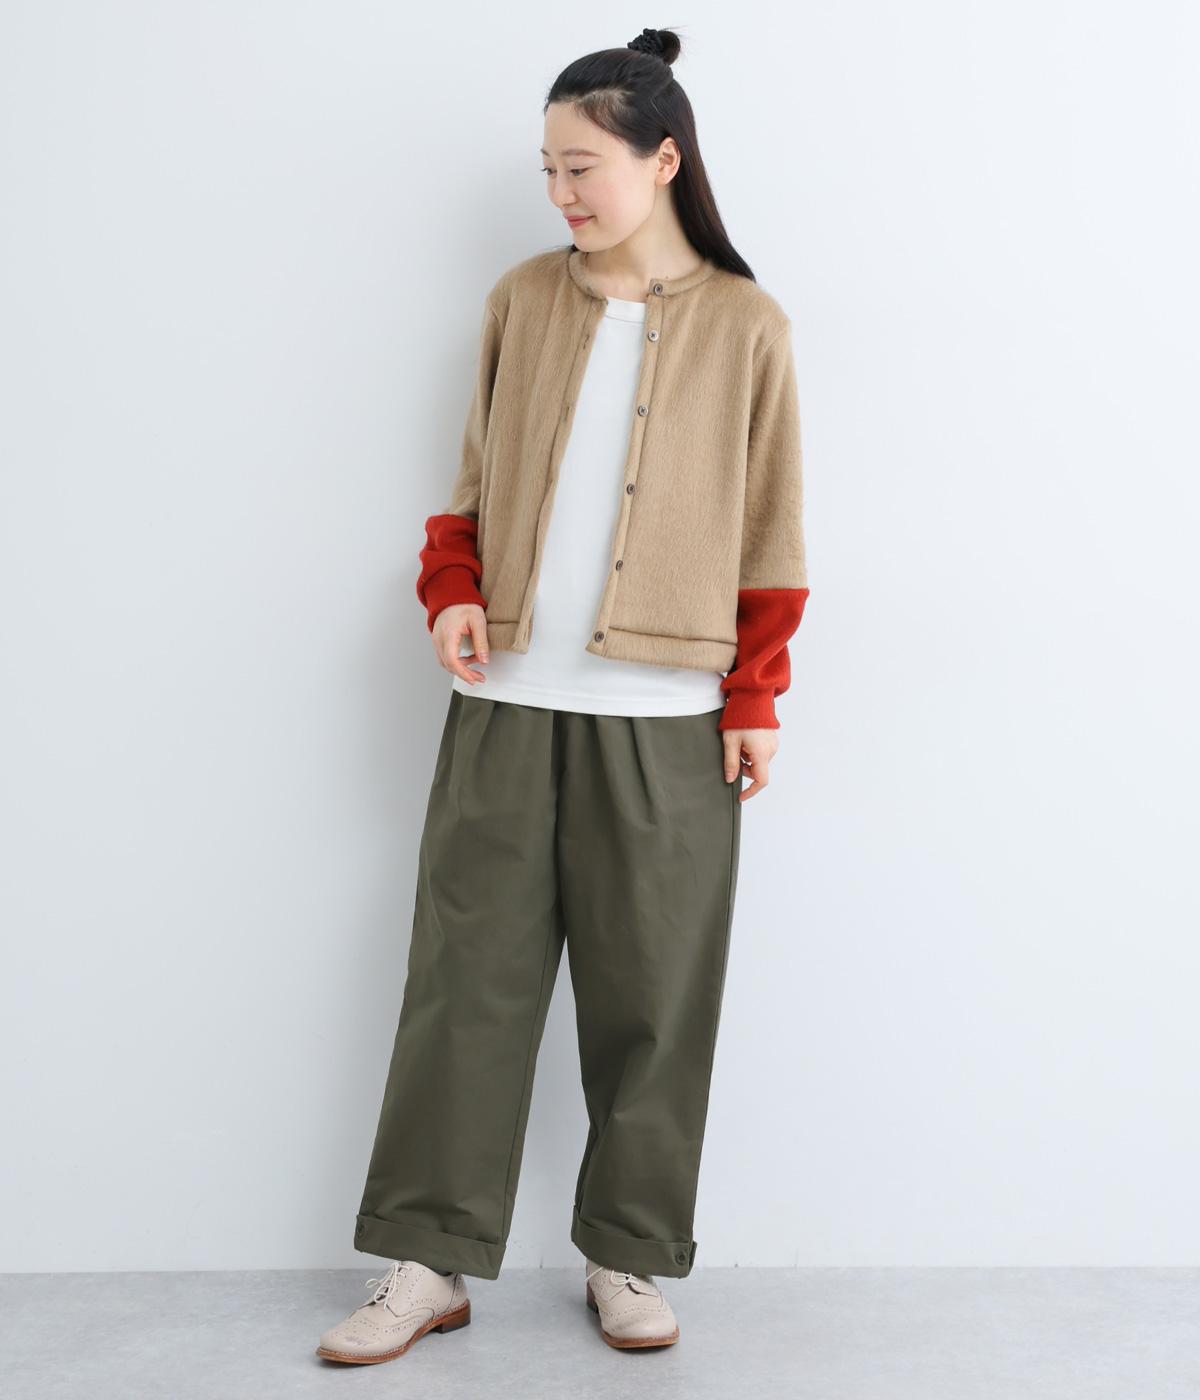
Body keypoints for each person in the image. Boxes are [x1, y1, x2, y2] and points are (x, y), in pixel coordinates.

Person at [316, 24, 809, 1365]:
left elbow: (772, 534)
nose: (561, 192)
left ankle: (626, 1254)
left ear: (665, 159)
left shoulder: (750, 327)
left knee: (655, 1001)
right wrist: (453, 591)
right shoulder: (523, 300)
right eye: (548, 168)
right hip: (509, 698)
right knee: (463, 984)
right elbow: (471, 481)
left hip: (670, 723)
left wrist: (754, 697)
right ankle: (428, 1260)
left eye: (581, 166)